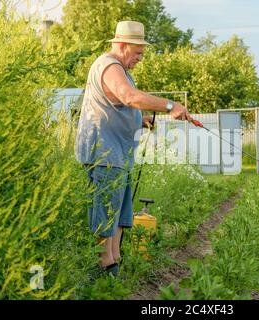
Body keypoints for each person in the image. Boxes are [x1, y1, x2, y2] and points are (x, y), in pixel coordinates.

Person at [75, 20, 192, 277]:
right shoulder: (109, 65)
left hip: (119, 154)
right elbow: (130, 97)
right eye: (138, 52)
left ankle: (115, 259)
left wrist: (142, 120)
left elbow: (118, 105)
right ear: (122, 44)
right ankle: (105, 269)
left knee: (120, 213)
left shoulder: (123, 70)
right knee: (106, 211)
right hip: (104, 154)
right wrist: (171, 106)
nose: (140, 58)